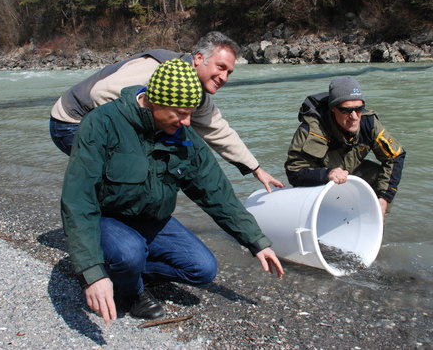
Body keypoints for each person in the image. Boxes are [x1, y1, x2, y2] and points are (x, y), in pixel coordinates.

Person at [60, 59, 284, 325]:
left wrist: (255, 241)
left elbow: (215, 192)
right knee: (128, 252)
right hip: (108, 218)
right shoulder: (103, 123)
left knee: (203, 269)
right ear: (154, 101)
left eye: (191, 113)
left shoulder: (182, 134)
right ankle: (131, 292)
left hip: (153, 221)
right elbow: (78, 199)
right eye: (180, 113)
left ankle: (120, 270)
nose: (187, 122)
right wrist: (91, 271)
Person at [50, 31, 283, 192]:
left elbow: (218, 131)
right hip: (71, 121)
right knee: (129, 175)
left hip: (91, 121)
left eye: (229, 72)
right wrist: (139, 143)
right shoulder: (158, 70)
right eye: (220, 67)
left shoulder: (194, 91)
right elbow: (101, 93)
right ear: (199, 59)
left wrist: (256, 168)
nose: (224, 77)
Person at [284, 76, 405, 216]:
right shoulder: (311, 130)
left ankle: (375, 222)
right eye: (346, 110)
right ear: (333, 109)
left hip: (350, 171)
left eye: (359, 109)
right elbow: (294, 173)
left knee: (380, 179)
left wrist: (385, 198)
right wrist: (327, 174)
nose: (354, 117)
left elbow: (396, 156)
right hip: (320, 181)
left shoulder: (368, 123)